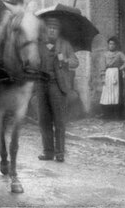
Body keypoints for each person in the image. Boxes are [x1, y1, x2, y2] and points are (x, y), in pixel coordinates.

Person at [37, 17, 79, 162]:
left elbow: (76, 62)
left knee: (59, 120)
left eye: (55, 28)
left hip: (57, 85)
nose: (52, 30)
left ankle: (59, 152)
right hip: (42, 86)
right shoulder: (39, 45)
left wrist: (65, 60)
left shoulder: (65, 45)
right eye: (50, 28)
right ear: (46, 30)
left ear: (58, 31)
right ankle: (48, 152)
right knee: (44, 120)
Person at [99, 36, 125, 119]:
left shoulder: (119, 54)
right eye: (110, 44)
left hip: (117, 75)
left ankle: (117, 114)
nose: (111, 45)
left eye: (113, 44)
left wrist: (121, 68)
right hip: (108, 75)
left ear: (116, 45)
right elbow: (102, 66)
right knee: (107, 94)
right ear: (108, 45)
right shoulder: (105, 55)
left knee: (117, 94)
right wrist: (103, 76)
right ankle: (107, 114)